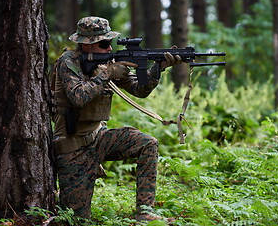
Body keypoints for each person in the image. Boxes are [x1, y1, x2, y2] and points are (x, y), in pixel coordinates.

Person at [51, 16, 181, 222]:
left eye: (109, 43)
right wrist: (107, 74)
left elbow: (139, 90)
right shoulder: (68, 62)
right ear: (87, 45)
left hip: (99, 138)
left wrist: (158, 67)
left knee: (148, 143)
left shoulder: (109, 61)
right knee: (76, 220)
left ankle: (145, 212)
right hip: (73, 148)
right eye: (104, 44)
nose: (109, 49)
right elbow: (78, 97)